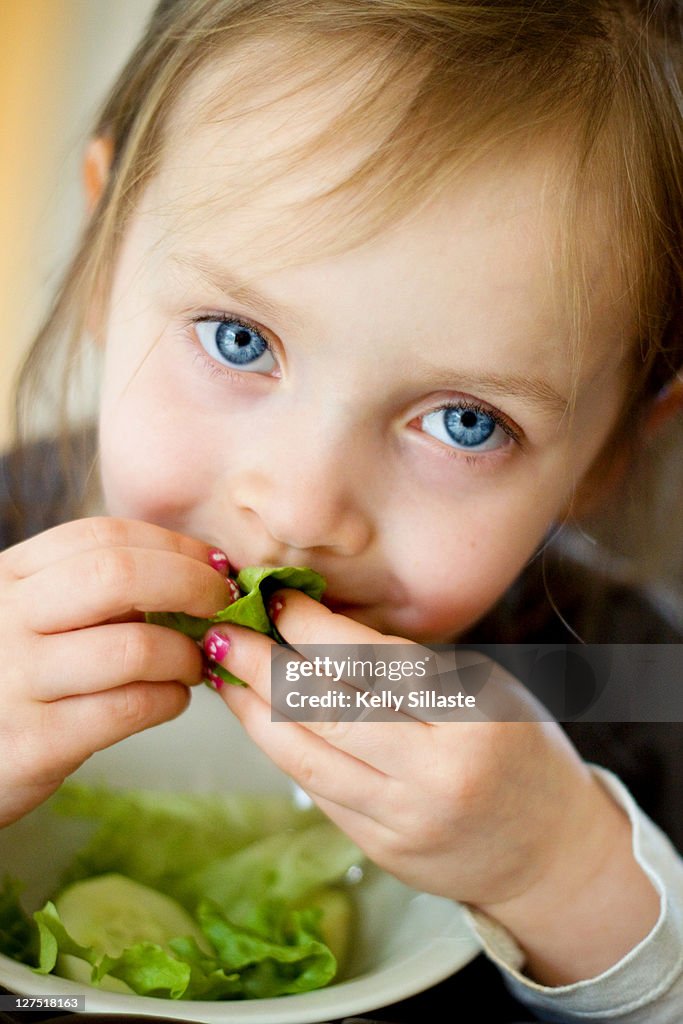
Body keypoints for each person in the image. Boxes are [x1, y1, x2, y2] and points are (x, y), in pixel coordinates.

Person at [0, 0, 681, 1020]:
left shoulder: (616, 680)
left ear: (612, 448)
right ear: (102, 253)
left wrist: (567, 873)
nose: (299, 509)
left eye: (462, 420)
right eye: (238, 339)